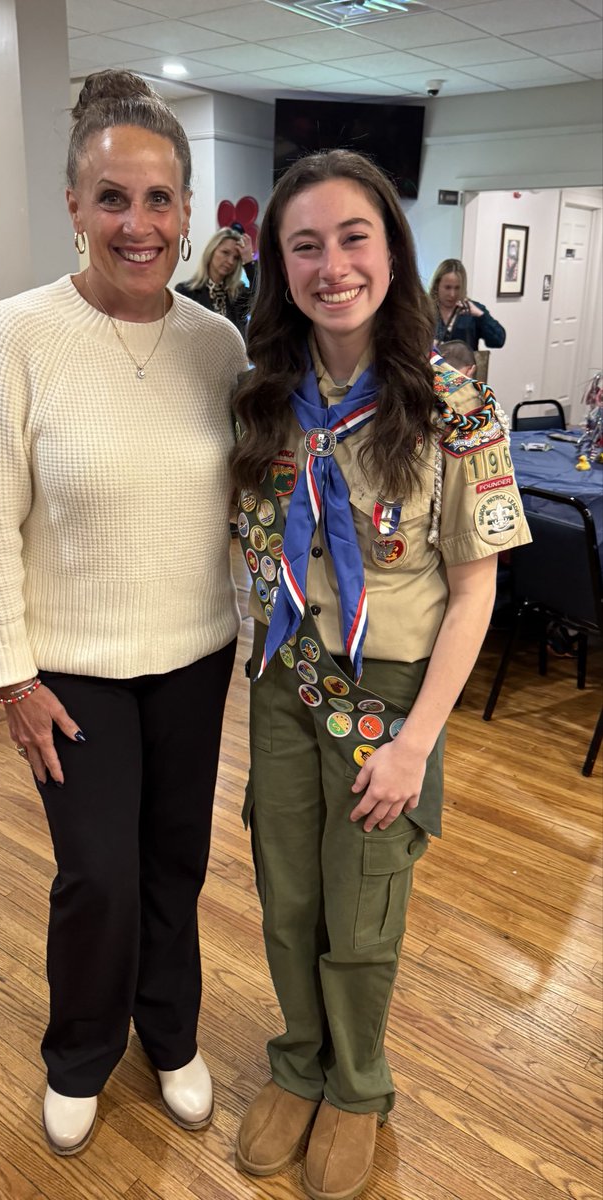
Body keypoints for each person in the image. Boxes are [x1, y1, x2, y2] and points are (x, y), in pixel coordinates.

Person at [0, 69, 248, 1158]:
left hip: (194, 655)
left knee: (175, 861)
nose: (139, 224)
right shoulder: (14, 335)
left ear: (186, 210)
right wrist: (10, 677)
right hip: (68, 666)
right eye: (113, 198)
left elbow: (242, 503)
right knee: (97, 877)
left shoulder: (217, 344)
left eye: (159, 199)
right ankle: (78, 1049)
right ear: (74, 206)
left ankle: (169, 1034)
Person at [230, 150, 531, 1200]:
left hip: (390, 694)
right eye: (303, 244)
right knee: (283, 896)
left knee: (360, 911)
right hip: (282, 681)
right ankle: (298, 1064)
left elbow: (475, 591)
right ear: (279, 262)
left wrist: (414, 744)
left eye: (352, 236)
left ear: (391, 251)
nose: (330, 264)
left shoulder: (456, 404)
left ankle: (357, 1087)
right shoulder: (261, 396)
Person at [176, 227, 256, 336]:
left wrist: (248, 262)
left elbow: (262, 298)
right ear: (211, 251)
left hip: (236, 353)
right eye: (225, 252)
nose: (230, 261)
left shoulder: (238, 294)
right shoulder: (186, 292)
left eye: (236, 257)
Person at [430, 258, 505, 350]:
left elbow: (498, 341)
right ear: (437, 285)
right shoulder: (425, 310)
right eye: (447, 287)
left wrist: (481, 316)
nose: (452, 294)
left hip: (465, 364)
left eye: (457, 288)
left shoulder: (472, 310)